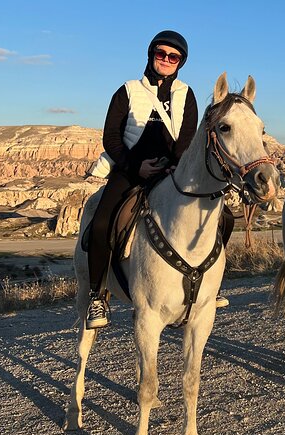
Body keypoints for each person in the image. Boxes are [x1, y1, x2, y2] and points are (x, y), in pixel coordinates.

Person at [85, 30, 199, 329]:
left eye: (173, 57)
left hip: (170, 170)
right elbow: (111, 137)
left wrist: (173, 165)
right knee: (101, 224)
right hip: (130, 168)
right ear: (151, 55)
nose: (166, 60)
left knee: (220, 216)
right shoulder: (127, 91)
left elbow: (186, 137)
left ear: (180, 63)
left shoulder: (186, 94)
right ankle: (97, 296)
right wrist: (136, 167)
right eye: (161, 54)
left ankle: (207, 290)